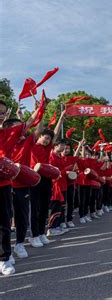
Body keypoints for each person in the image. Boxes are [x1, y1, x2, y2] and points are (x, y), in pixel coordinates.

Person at [29, 110, 66, 248]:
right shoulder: (32, 145)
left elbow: (55, 133)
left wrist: (61, 118)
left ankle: (41, 233)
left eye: (49, 139)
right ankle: (33, 236)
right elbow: (38, 128)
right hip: (33, 179)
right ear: (40, 137)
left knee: (44, 208)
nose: (47, 140)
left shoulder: (48, 147)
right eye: (45, 137)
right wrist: (41, 110)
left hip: (46, 180)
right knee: (35, 209)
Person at [0, 101, 29, 275]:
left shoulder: (7, 135)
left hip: (3, 183)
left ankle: (4, 259)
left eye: (3, 113)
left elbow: (29, 124)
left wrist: (41, 107)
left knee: (3, 223)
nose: (1, 115)